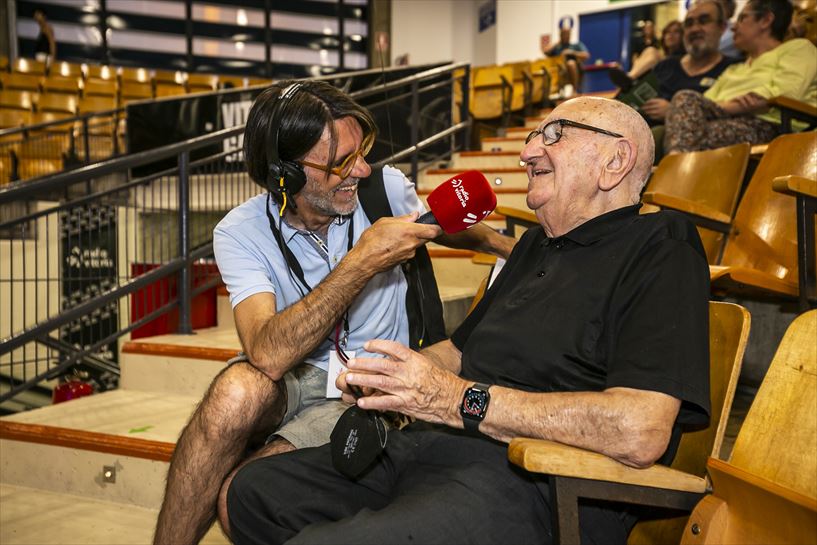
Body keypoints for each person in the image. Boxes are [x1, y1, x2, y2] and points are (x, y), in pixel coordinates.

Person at [225, 96, 712, 545]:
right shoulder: (535, 246)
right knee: (253, 491)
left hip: (534, 478)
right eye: (531, 136)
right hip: (433, 447)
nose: (527, 153)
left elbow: (640, 430)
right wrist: (390, 376)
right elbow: (459, 352)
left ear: (615, 160)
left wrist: (459, 400)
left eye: (554, 133)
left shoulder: (661, 247)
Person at [152, 80, 516, 545]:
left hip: (367, 384)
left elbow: (436, 228)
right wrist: (361, 261)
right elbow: (266, 354)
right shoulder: (238, 232)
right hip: (297, 371)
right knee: (234, 392)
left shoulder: (384, 191)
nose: (361, 169)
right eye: (341, 161)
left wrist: (507, 245)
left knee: (239, 491)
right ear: (284, 174)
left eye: (361, 150)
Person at [664, 0, 817, 153]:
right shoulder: (735, 69)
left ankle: (675, 170)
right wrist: (733, 106)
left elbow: (788, 91)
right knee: (684, 106)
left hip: (772, 126)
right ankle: (678, 170)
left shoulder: (797, 49)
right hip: (727, 122)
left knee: (687, 124)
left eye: (742, 18)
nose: (734, 27)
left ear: (765, 20)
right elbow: (705, 101)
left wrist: (727, 106)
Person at [641, 0, 741, 124]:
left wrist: (674, 112)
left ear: (722, 27)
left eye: (704, 21)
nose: (695, 29)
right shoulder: (665, 66)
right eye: (689, 23)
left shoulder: (734, 70)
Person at [610, 20, 686, 91]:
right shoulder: (643, 43)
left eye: (676, 32)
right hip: (649, 77)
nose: (671, 35)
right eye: (668, 32)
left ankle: (629, 79)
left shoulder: (685, 58)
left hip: (666, 83)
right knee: (650, 50)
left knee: (653, 52)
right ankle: (630, 79)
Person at [544, 26, 591, 94]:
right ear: (560, 35)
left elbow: (586, 55)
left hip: (574, 68)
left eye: (567, 34)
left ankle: (574, 90)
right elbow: (546, 52)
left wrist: (572, 52)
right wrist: (558, 42)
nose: (566, 36)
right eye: (564, 34)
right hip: (559, 69)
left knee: (570, 63)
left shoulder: (576, 45)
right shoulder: (557, 47)